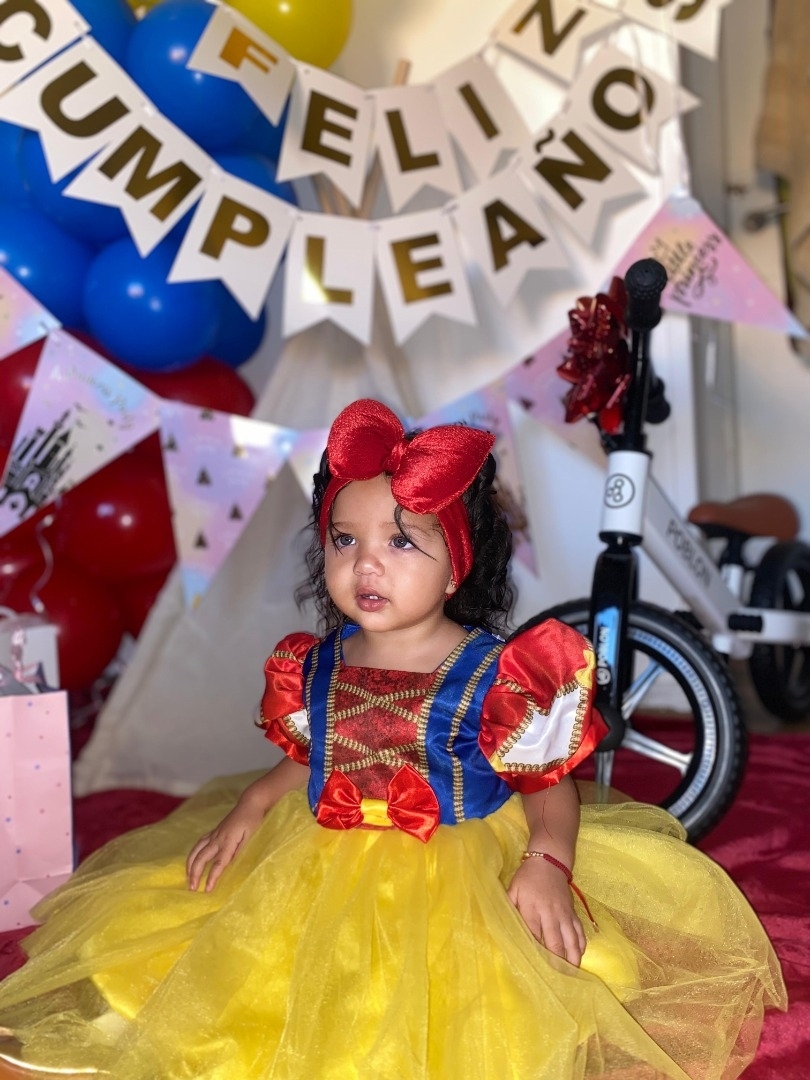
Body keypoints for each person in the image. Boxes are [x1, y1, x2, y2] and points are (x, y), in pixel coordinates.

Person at [0, 399, 785, 1080]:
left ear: (456, 568)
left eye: (402, 543)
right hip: (316, 856)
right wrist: (253, 805)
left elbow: (547, 783)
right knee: (240, 956)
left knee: (468, 997)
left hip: (456, 864)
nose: (366, 564)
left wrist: (547, 861)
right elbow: (312, 752)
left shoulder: (497, 673)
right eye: (345, 541)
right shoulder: (314, 662)